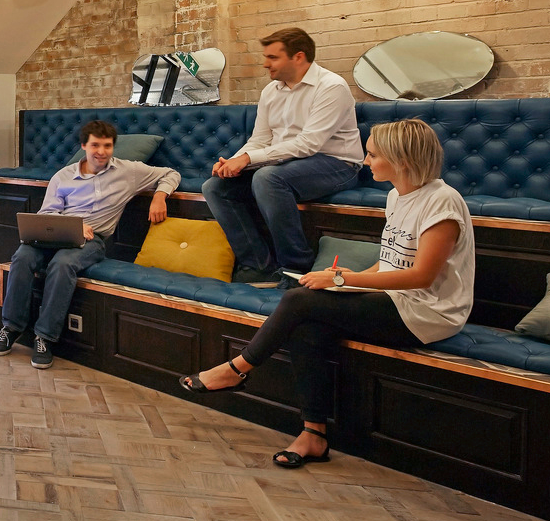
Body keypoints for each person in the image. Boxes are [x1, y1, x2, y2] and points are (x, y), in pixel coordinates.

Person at [181, 119, 474, 468]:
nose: (366, 161)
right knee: (307, 324)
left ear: (403, 161)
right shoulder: (397, 195)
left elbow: (422, 276)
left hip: (429, 313)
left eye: (373, 155)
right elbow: (390, 262)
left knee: (298, 300)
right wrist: (344, 277)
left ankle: (237, 369)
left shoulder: (442, 201)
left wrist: (340, 282)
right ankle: (314, 435)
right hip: (397, 301)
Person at [0, 120, 180, 370]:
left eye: (107, 146)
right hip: (55, 234)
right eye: (95, 145)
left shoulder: (129, 171)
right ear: (83, 146)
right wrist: (72, 225)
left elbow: (171, 173)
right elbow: (47, 213)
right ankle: (11, 327)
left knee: (62, 264)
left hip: (94, 240)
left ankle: (45, 337)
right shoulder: (63, 176)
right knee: (22, 256)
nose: (101, 151)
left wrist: (159, 196)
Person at [203, 28, 362, 286]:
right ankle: (258, 266)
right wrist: (233, 161)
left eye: (273, 57)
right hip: (286, 164)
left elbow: (309, 144)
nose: (265, 63)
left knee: (268, 178)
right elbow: (260, 139)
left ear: (298, 57)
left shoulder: (331, 86)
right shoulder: (270, 91)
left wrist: (249, 159)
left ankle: (295, 270)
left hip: (337, 165)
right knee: (215, 187)